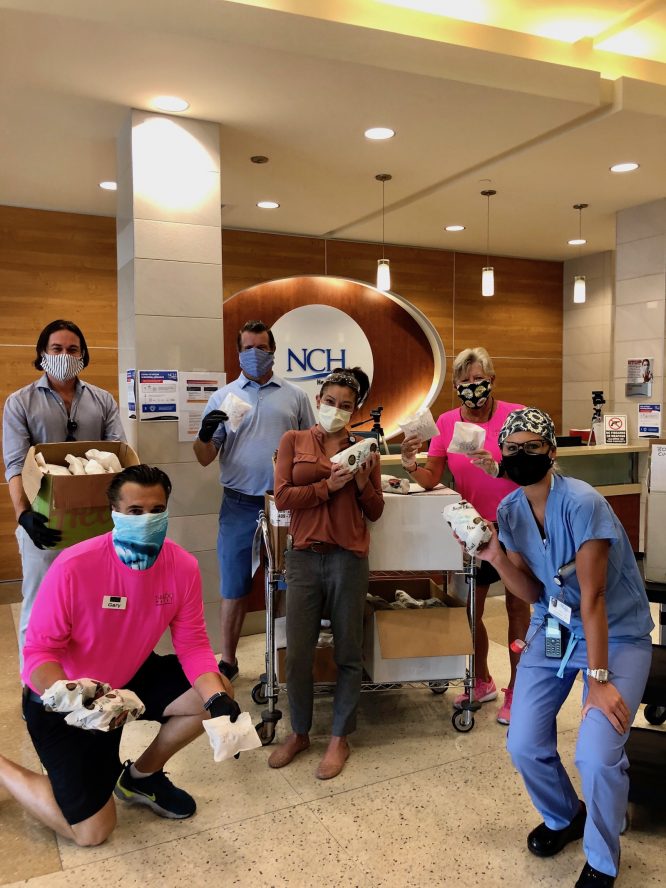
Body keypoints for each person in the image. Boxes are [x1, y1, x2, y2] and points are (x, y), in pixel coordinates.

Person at [0, 464, 240, 847]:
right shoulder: (74, 566)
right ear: (114, 512)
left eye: (156, 510)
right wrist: (75, 698)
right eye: (135, 511)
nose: (147, 520)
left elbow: (193, 644)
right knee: (92, 832)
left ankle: (141, 778)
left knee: (213, 693)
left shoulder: (182, 567)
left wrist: (216, 699)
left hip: (126, 680)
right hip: (64, 698)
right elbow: (39, 653)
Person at [472, 408, 653, 888]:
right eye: (512, 449)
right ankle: (565, 816)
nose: (521, 455)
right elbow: (533, 591)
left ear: (551, 452)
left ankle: (603, 858)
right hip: (555, 627)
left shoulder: (583, 503)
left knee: (596, 755)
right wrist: (494, 556)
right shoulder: (510, 512)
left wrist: (599, 681)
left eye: (532, 447)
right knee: (524, 743)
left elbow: (593, 598)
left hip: (615, 633)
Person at [400, 347, 530, 724]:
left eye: (478, 379)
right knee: (470, 610)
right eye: (464, 380)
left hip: (517, 525)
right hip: (474, 528)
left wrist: (500, 467)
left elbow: (532, 468)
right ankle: (483, 680)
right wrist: (410, 464)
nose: (472, 386)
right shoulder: (446, 422)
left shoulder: (515, 416)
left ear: (492, 380)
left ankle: (518, 689)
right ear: (456, 386)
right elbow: (432, 477)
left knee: (517, 607)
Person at [268, 367, 384, 779]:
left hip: (348, 558)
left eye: (346, 405)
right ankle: (299, 732)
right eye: (330, 402)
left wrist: (363, 483)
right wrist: (327, 488)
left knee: (348, 651)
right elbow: (283, 496)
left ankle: (339, 737)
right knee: (299, 652)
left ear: (355, 410)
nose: (336, 410)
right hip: (303, 557)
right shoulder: (294, 440)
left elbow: (375, 510)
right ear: (318, 401)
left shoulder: (365, 449)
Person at [193, 320, 315, 682]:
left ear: (273, 351)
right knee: (233, 585)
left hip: (285, 505)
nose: (255, 354)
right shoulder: (224, 398)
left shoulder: (295, 396)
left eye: (261, 347)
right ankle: (228, 661)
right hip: (238, 504)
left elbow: (312, 448)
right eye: (248, 348)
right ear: (238, 353)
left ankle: (280, 660)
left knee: (285, 583)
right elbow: (204, 457)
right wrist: (204, 435)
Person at [2, 319, 125, 667]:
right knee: (40, 604)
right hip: (44, 522)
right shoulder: (20, 402)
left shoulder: (102, 400)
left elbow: (118, 454)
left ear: (83, 355)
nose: (65, 356)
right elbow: (15, 464)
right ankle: (34, 684)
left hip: (94, 523)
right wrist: (24, 516)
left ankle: (91, 675)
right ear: (43, 353)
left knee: (94, 604)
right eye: (56, 349)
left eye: (73, 349)